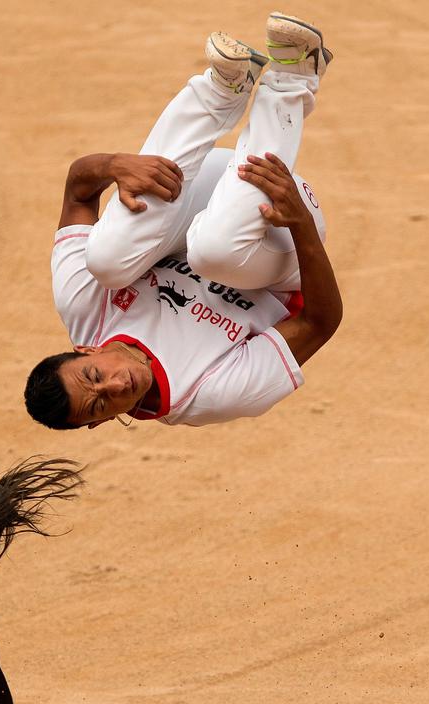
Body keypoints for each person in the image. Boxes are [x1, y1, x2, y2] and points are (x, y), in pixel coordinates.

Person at [25, 12, 342, 429]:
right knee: (215, 252)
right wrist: (299, 221)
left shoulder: (83, 308)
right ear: (100, 422)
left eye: (94, 377)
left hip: (205, 186)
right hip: (281, 233)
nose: (115, 386)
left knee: (106, 259)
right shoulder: (206, 394)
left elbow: (78, 190)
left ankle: (221, 88)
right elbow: (320, 321)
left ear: (86, 351)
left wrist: (116, 165)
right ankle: (293, 76)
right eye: (100, 405)